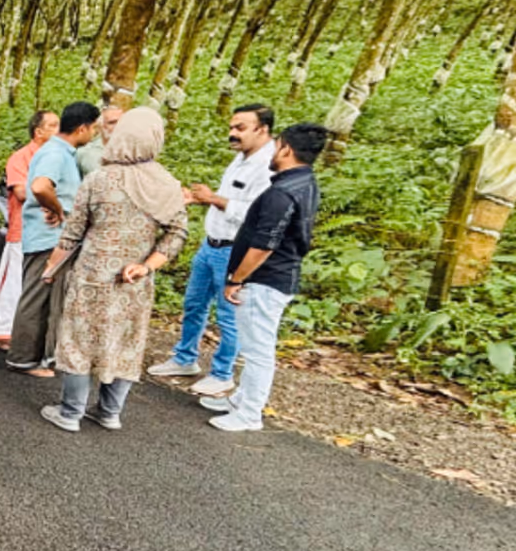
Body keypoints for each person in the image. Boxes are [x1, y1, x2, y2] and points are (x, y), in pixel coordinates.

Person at [39, 107, 188, 432]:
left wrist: (51, 268)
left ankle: (70, 412)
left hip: (92, 276)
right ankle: (109, 412)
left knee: (79, 340)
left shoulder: (99, 179)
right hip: (134, 282)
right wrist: (147, 266)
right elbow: (177, 232)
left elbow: (72, 233)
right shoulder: (167, 185)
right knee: (126, 342)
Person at [202, 123, 326, 432]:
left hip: (266, 279)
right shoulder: (305, 182)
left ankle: (249, 413)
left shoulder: (282, 193)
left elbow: (264, 244)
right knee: (253, 344)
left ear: (286, 149)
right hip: (277, 276)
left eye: (276, 145)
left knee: (257, 349)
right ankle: (241, 399)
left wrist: (236, 279)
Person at [148, 104, 277, 396]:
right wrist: (200, 199)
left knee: (228, 315)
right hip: (211, 244)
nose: (233, 133)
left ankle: (222, 374)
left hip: (235, 250)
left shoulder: (267, 167)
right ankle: (184, 358)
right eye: (231, 127)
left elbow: (256, 214)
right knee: (194, 303)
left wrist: (213, 199)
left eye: (240, 128)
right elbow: (227, 200)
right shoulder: (240, 158)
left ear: (262, 129)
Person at [6, 101, 100, 377]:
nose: (94, 133)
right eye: (93, 128)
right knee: (36, 297)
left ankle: (41, 356)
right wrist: (58, 210)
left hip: (52, 237)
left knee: (48, 299)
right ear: (82, 128)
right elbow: (40, 186)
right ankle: (23, 358)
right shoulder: (56, 153)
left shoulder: (64, 153)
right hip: (46, 237)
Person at [0, 109, 59, 351]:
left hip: (49, 232)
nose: (59, 130)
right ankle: (3, 329)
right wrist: (53, 198)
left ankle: (21, 330)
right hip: (23, 230)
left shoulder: (57, 158)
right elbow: (20, 191)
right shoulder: (20, 158)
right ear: (39, 132)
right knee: (13, 281)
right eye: (53, 125)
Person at [75, 105, 122, 177]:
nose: (118, 126)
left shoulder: (134, 152)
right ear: (100, 126)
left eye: (121, 122)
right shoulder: (86, 153)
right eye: (112, 123)